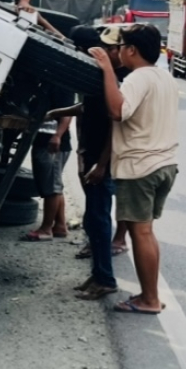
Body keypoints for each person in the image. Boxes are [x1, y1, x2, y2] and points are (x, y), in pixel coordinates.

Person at [87, 24, 180, 315]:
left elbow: (117, 111)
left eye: (120, 48)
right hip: (165, 164)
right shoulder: (164, 77)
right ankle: (149, 295)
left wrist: (106, 69)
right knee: (146, 232)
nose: (117, 53)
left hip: (141, 167)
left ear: (131, 50)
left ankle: (149, 300)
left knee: (141, 234)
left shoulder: (138, 78)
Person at [67, 25, 127, 301]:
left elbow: (117, 125)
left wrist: (102, 165)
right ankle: (97, 273)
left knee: (100, 219)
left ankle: (105, 279)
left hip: (102, 160)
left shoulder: (117, 80)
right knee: (93, 217)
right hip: (91, 154)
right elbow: (88, 109)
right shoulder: (99, 74)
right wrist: (55, 113)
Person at [19, 85, 74, 242]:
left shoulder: (62, 86)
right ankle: (60, 226)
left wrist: (57, 136)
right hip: (44, 139)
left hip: (51, 143)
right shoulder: (44, 84)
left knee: (50, 188)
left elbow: (68, 113)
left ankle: (46, 229)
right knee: (54, 184)